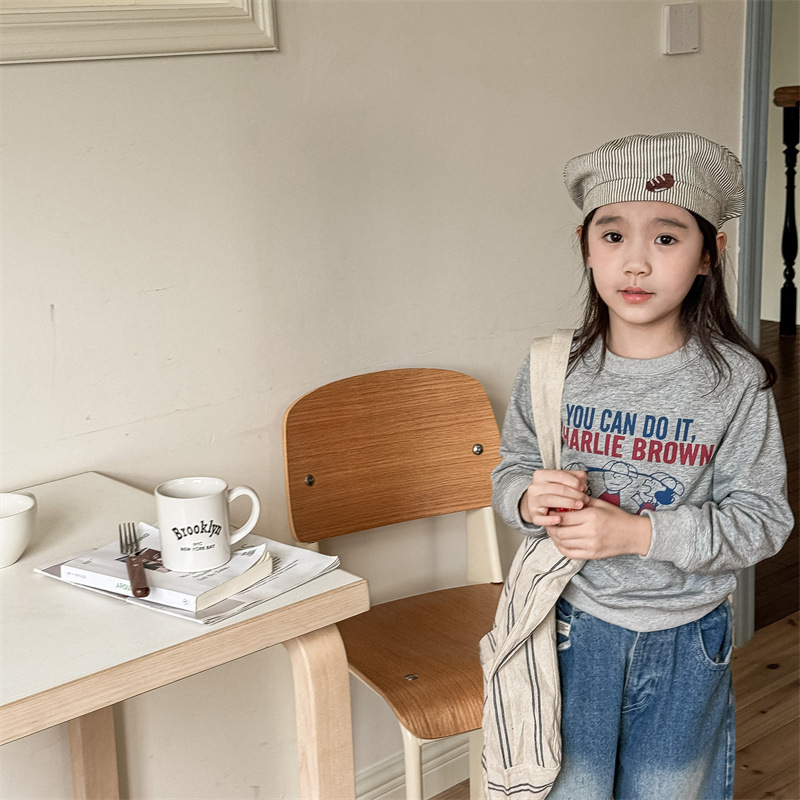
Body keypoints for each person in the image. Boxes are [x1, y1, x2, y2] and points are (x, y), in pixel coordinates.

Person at [491, 132, 794, 800]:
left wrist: (638, 534)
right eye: (612, 236)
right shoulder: (551, 366)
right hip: (570, 630)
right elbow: (512, 471)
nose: (635, 262)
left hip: (687, 640)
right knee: (569, 789)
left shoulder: (736, 384)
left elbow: (762, 522)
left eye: (665, 238)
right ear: (585, 246)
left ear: (709, 254)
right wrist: (527, 499)